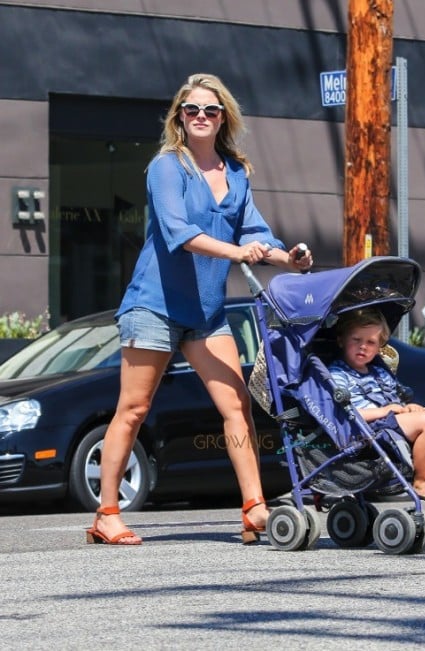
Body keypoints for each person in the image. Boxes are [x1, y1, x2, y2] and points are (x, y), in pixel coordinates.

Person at [86, 73, 313, 546]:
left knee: (237, 405)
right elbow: (180, 234)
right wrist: (239, 254)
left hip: (206, 314)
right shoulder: (168, 167)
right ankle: (106, 513)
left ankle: (254, 507)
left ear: (223, 116)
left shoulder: (235, 172)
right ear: (180, 118)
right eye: (192, 110)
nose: (201, 117)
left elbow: (255, 234)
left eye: (211, 110)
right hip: (155, 306)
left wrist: (287, 257)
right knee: (134, 408)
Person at [329, 309, 425, 508]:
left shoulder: (379, 372)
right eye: (356, 340)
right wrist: (385, 411)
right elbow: (343, 414)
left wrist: (408, 408)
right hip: (367, 429)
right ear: (341, 340)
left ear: (379, 347)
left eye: (371, 342)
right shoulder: (337, 374)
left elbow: (395, 402)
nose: (363, 347)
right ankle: (421, 481)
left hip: (392, 421)